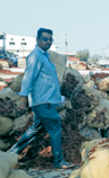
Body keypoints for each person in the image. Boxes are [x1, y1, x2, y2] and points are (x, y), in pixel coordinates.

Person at [8, 28, 73, 169]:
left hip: (47, 100)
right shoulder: (36, 56)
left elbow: (48, 81)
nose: (48, 42)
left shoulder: (45, 56)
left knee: (35, 129)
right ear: (37, 40)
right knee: (55, 127)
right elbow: (28, 77)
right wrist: (23, 97)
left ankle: (11, 153)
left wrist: (59, 98)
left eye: (50, 39)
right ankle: (59, 161)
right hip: (42, 101)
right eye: (45, 39)